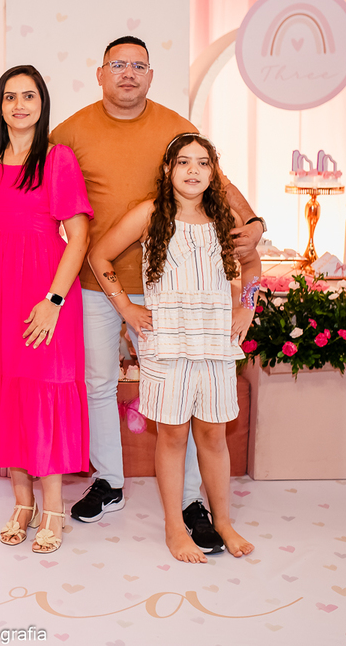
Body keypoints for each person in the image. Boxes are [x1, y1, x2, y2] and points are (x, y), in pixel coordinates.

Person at [44, 35, 264, 554]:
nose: (128, 73)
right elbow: (33, 182)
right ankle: (109, 481)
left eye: (138, 66)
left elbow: (220, 184)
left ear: (150, 75)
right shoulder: (70, 131)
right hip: (98, 284)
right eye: (118, 64)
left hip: (171, 297)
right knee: (100, 383)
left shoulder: (175, 128)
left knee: (189, 404)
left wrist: (253, 222)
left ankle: (190, 503)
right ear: (100, 73)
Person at [87, 133, 258, 563]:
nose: (193, 170)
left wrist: (247, 308)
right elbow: (99, 256)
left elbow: (253, 263)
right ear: (168, 170)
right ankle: (174, 527)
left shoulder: (224, 218)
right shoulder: (150, 214)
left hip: (215, 342)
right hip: (167, 343)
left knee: (213, 435)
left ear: (213, 173)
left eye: (203, 163)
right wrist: (126, 307)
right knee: (174, 435)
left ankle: (223, 521)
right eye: (183, 162)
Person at [0, 65, 93, 555]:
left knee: (43, 392)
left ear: (42, 104)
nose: (19, 105)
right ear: (0, 105)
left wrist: (53, 301)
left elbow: (79, 237)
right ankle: (22, 503)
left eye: (29, 96)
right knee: (7, 390)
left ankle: (53, 508)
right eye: (10, 96)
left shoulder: (57, 159)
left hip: (44, 287)